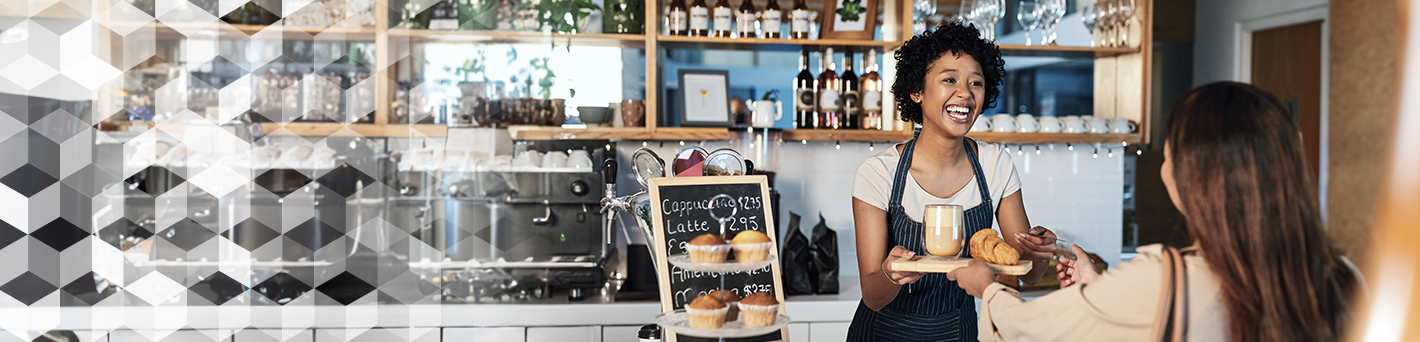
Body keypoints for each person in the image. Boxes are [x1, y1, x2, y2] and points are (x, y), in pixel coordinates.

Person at [948, 82, 1360, 341]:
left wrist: (988, 289)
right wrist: (1098, 290)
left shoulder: (1165, 278)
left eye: (1169, 157)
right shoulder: (1343, 276)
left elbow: (1033, 330)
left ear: (1192, 178)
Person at [847, 22, 1058, 341]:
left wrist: (1039, 255)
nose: (965, 94)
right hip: (883, 333)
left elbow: (1022, 274)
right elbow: (873, 296)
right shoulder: (879, 173)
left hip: (958, 331)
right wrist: (891, 274)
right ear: (916, 90)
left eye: (977, 83)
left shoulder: (995, 164)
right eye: (949, 80)